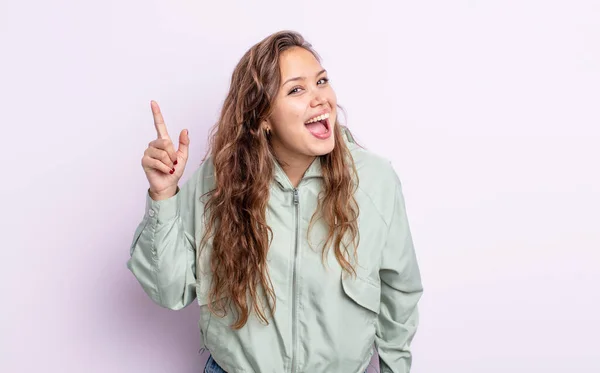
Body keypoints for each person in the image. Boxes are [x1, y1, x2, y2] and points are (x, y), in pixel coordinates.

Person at [127, 30, 423, 373]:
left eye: (321, 81)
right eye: (297, 89)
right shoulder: (220, 179)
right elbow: (169, 291)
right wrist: (164, 195)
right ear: (263, 118)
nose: (320, 99)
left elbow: (400, 293)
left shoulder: (374, 180)